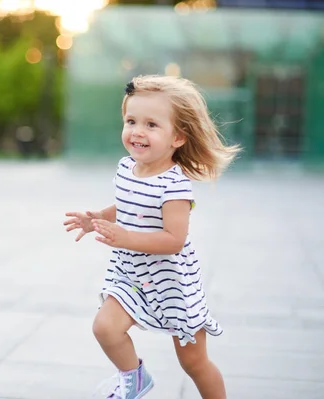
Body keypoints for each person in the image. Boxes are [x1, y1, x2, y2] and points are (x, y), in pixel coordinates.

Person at [63, 75, 240, 399]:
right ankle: (134, 377)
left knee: (194, 362)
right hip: (131, 274)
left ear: (178, 137)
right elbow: (129, 204)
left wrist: (126, 237)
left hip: (172, 282)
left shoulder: (175, 187)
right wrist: (99, 218)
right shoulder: (126, 168)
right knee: (105, 327)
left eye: (151, 125)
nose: (137, 132)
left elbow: (174, 239)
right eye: (131, 121)